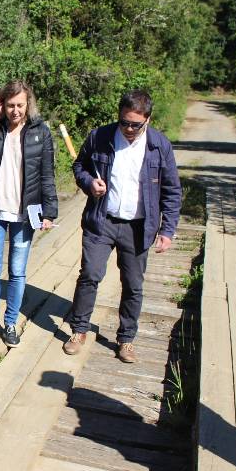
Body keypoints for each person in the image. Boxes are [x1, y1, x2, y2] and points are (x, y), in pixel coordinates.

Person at [65, 89, 182, 363]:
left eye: (135, 124)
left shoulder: (159, 146)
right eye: (124, 122)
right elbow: (79, 166)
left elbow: (172, 190)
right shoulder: (100, 137)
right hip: (102, 221)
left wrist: (167, 230)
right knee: (90, 274)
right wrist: (88, 183)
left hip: (139, 227)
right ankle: (79, 330)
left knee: (133, 284)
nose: (128, 129)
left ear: (148, 120)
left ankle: (126, 338)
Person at [0, 80, 58, 348]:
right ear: (1, 105)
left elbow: (47, 176)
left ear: (28, 104)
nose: (15, 111)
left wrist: (49, 211)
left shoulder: (41, 133)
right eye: (10, 105)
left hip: (25, 213)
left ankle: (11, 324)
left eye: (20, 105)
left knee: (17, 271)